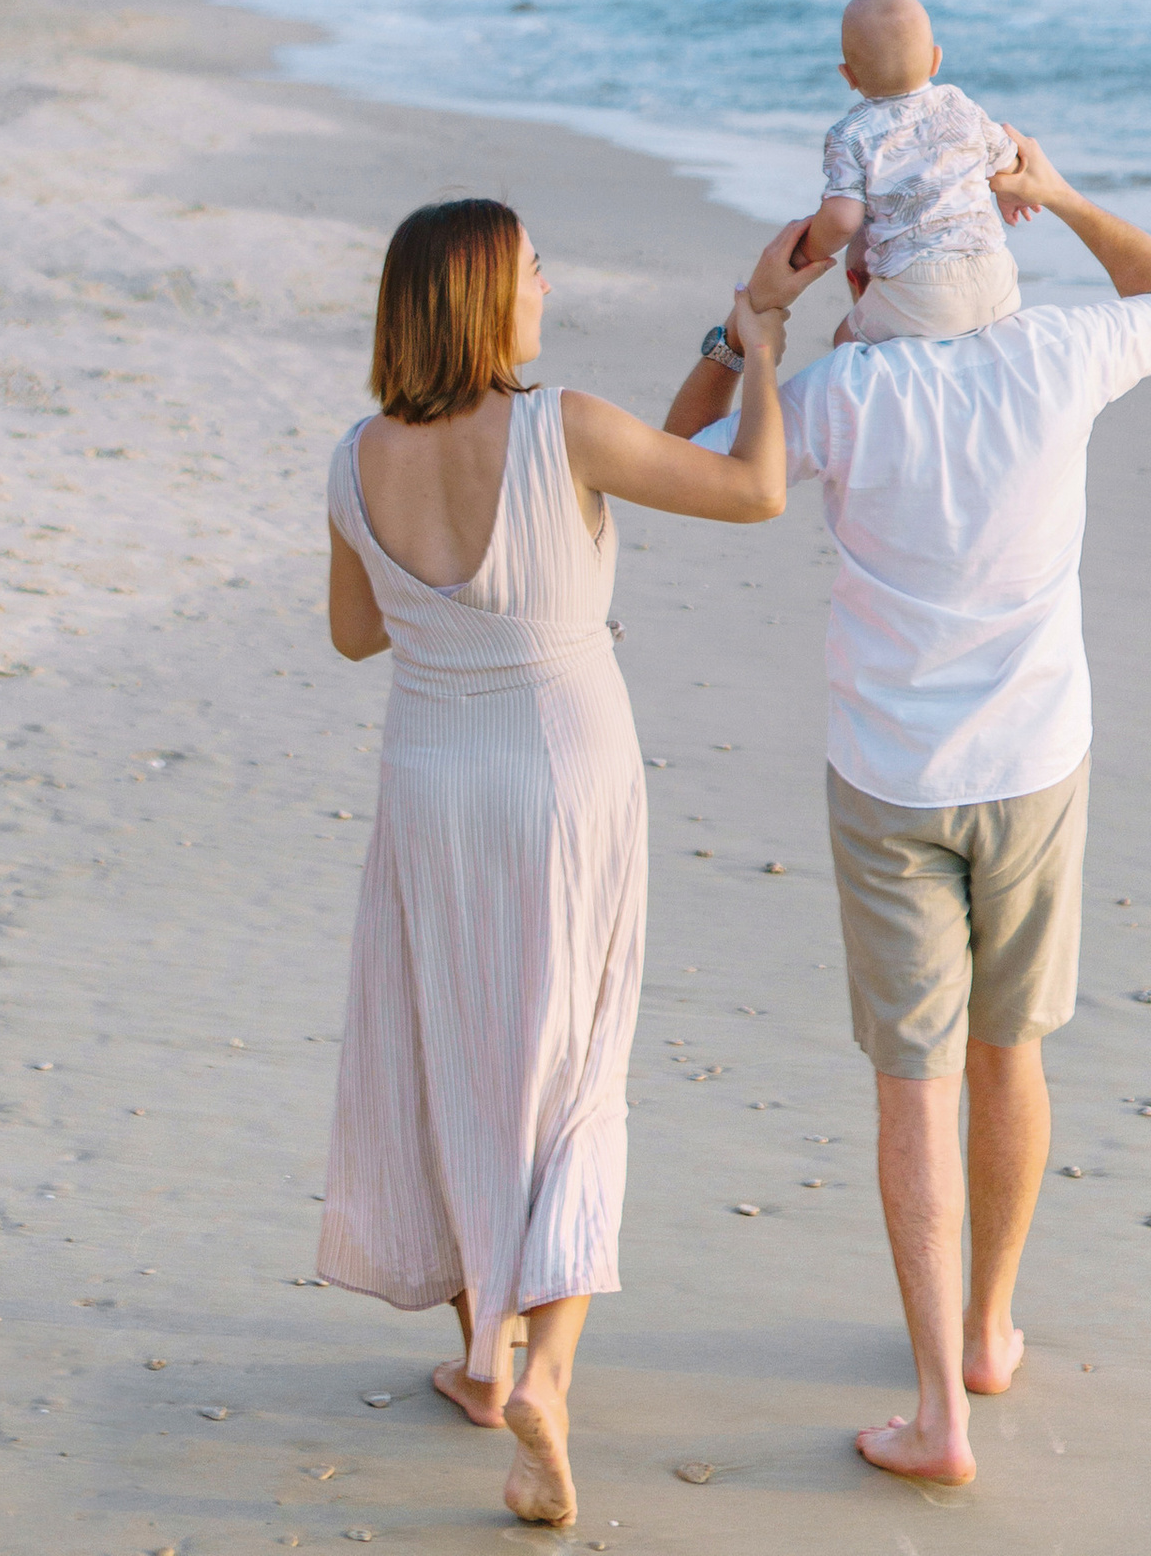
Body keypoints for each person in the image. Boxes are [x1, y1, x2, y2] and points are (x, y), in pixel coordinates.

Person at [668, 132, 1151, 1488]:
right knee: (1009, 1054)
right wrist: (1067, 191)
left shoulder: (846, 391)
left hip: (889, 777)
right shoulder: (1056, 357)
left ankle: (937, 1418)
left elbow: (684, 463)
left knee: (913, 1084)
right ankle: (988, 1332)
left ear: (862, 262)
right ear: (994, 240)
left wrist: (755, 331)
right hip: (1034, 766)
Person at [323, 197, 794, 1529]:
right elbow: (752, 488)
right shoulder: (564, 425)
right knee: (577, 1062)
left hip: (431, 773)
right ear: (485, 296)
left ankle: (485, 1368)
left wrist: (722, 334)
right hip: (565, 775)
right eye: (532, 265)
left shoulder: (357, 458)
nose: (547, 281)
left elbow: (359, 634)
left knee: (462, 1056)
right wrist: (762, 350)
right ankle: (549, 1374)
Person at [788, 0, 1024, 346]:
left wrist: (805, 253)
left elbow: (842, 220)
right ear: (935, 59)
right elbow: (1007, 156)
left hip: (920, 290)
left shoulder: (850, 134)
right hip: (997, 277)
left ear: (848, 76)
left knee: (845, 343)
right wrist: (1008, 194)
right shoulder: (960, 104)